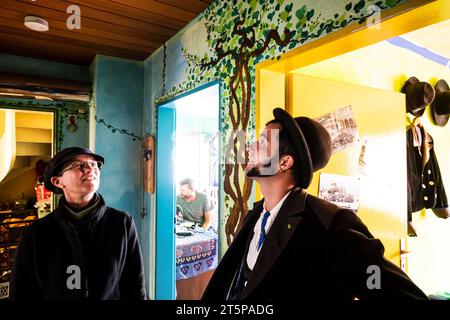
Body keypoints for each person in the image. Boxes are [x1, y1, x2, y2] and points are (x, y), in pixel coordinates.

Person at [202, 108, 427, 300]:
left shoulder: (330, 225)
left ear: (284, 162)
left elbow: (385, 287)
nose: (250, 147)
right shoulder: (255, 215)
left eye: (262, 142)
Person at [10, 147, 147, 300]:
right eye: (77, 165)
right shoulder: (36, 234)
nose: (89, 169)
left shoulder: (121, 223)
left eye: (94, 164)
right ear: (57, 181)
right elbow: (22, 293)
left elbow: (135, 286)